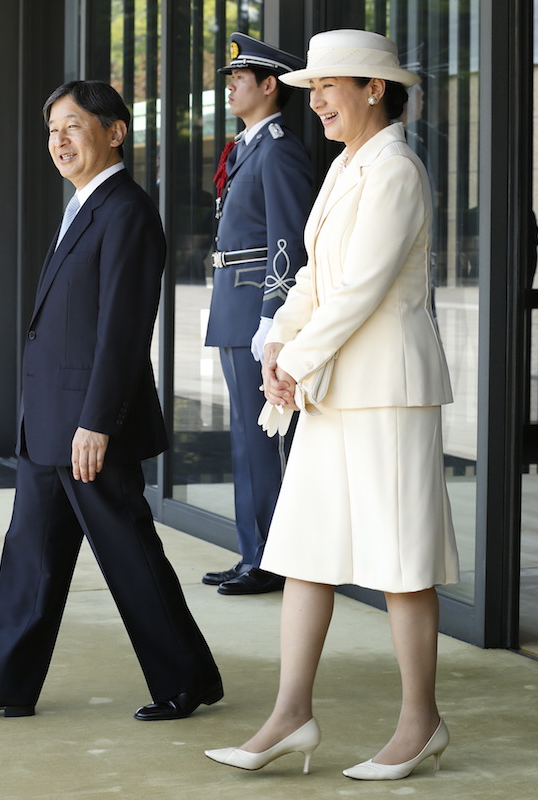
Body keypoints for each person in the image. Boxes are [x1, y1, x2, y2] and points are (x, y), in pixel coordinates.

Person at [205, 30, 460, 780]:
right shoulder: (346, 166)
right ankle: (290, 716)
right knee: (306, 552)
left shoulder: (396, 169)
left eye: (326, 88)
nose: (312, 101)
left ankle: (420, 724)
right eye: (308, 89)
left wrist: (298, 361)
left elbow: (362, 290)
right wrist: (277, 349)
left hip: (386, 390)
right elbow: (314, 278)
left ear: (373, 88)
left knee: (401, 560)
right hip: (330, 385)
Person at [0, 80, 222, 722]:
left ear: (115, 132)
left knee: (130, 557)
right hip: (48, 424)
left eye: (72, 126)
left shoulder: (128, 211)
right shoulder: (83, 208)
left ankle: (185, 680)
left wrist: (96, 423)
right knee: (29, 556)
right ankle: (1, 683)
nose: (58, 141)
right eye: (51, 131)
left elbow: (122, 330)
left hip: (91, 426)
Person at [202, 33, 313, 595]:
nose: (230, 86)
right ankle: (253, 550)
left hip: (255, 308)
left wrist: (274, 316)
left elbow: (287, 239)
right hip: (233, 302)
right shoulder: (249, 146)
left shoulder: (279, 149)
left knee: (260, 440)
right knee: (244, 439)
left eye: (239, 78)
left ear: (269, 85)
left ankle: (270, 559)